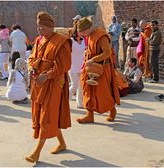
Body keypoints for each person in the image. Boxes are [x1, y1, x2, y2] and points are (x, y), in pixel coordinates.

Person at [25, 11, 72, 163]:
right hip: (38, 83)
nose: (39, 30)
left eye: (42, 27)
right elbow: (32, 57)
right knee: (44, 115)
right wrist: (32, 67)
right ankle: (62, 143)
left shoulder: (61, 41)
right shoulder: (38, 40)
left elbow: (64, 65)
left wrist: (47, 75)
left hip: (53, 83)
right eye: (38, 27)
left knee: (47, 116)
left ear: (50, 27)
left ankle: (37, 152)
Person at [76, 17, 120, 123]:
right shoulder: (90, 36)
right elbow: (92, 49)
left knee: (103, 92)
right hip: (91, 68)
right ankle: (89, 115)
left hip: (103, 69)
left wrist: (93, 59)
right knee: (88, 90)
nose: (82, 34)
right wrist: (87, 52)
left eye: (83, 31)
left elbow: (107, 53)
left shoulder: (101, 36)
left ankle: (112, 110)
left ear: (89, 28)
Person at [69, 24, 85, 108]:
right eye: (80, 30)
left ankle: (79, 103)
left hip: (81, 66)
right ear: (76, 31)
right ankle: (65, 100)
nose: (82, 32)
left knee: (81, 86)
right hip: (72, 66)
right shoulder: (71, 41)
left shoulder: (84, 41)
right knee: (74, 85)